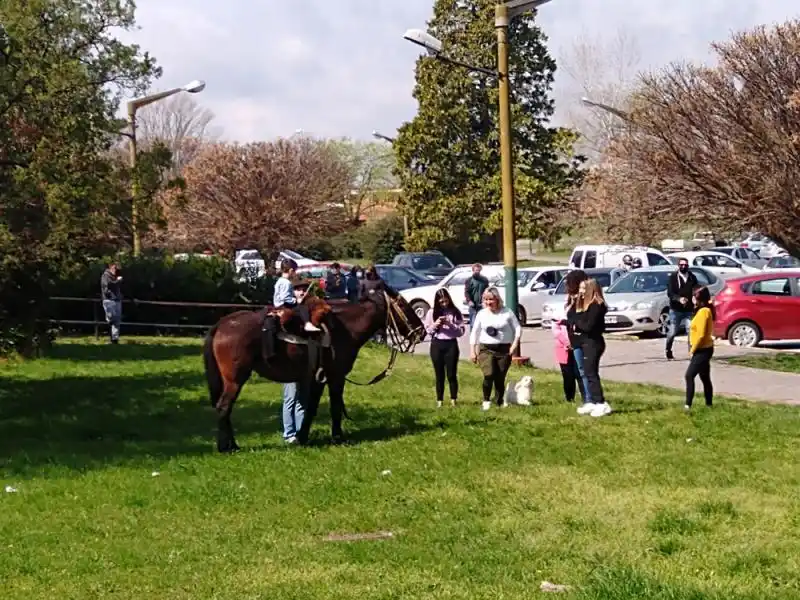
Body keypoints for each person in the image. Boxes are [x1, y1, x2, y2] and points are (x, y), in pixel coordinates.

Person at [469, 287, 522, 411]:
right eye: (486, 300)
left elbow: (518, 328)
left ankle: (498, 401)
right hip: (486, 348)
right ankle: (486, 400)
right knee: (489, 374)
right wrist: (472, 349)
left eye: (491, 299)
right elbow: (474, 332)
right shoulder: (482, 314)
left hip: (504, 350)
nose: (488, 302)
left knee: (500, 377)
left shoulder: (507, 312)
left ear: (497, 299)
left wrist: (514, 344)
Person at [568, 278, 612, 417]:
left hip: (593, 343)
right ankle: (591, 402)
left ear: (590, 290)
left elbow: (588, 326)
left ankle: (601, 403)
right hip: (582, 342)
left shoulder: (597, 306)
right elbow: (571, 316)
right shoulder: (582, 303)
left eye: (583, 289)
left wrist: (577, 323)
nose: (580, 291)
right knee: (586, 372)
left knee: (591, 373)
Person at [424, 289, 466, 408]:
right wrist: (436, 324)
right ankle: (439, 401)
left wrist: (450, 325)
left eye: (446, 301)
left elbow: (461, 332)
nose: (444, 304)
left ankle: (453, 399)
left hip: (451, 345)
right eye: (441, 302)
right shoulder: (431, 312)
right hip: (437, 344)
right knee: (439, 375)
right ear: (437, 301)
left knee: (452, 374)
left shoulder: (455, 311)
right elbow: (427, 331)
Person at [281, 277, 310, 443]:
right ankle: (288, 433)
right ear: (294, 291)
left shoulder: (308, 309)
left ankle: (299, 432)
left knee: (303, 399)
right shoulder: (289, 309)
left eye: (304, 289)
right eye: (298, 289)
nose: (301, 291)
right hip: (291, 360)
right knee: (290, 398)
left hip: (305, 360)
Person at [563, 270, 592, 410]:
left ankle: (590, 399)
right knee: (579, 371)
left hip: (585, 340)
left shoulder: (586, 299)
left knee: (585, 371)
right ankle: (585, 398)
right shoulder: (571, 299)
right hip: (574, 340)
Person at [685, 286, 715, 410]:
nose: (692, 298)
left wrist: (692, 350)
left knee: (689, 375)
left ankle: (688, 405)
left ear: (699, 298)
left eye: (694, 296)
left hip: (702, 349)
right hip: (702, 348)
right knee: (704, 376)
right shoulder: (700, 310)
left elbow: (702, 335)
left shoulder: (704, 312)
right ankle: (709, 404)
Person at [273, 259, 320, 332]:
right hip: (283, 305)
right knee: (303, 307)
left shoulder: (280, 280)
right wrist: (296, 300)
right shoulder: (286, 282)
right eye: (295, 271)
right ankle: (307, 324)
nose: (295, 273)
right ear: (291, 271)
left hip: (279, 305)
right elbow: (285, 298)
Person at [665, 257, 698, 360]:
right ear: (678, 266)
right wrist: (679, 299)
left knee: (690, 331)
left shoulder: (692, 277)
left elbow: (696, 289)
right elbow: (670, 293)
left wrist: (695, 297)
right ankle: (668, 350)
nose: (683, 267)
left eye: (685, 265)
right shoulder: (673, 277)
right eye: (681, 265)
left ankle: (691, 353)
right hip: (676, 309)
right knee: (673, 331)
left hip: (688, 309)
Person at [552, 318, 585, 403]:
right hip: (563, 349)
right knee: (568, 376)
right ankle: (570, 398)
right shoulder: (558, 316)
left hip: (577, 347)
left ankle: (585, 398)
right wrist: (568, 343)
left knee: (579, 374)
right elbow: (556, 331)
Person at [100, 262, 123, 344]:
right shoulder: (105, 276)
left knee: (117, 320)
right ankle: (109, 335)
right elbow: (109, 285)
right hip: (109, 300)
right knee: (111, 318)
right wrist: (117, 281)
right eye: (115, 269)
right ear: (111, 267)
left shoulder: (117, 277)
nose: (116, 271)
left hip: (117, 300)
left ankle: (114, 339)